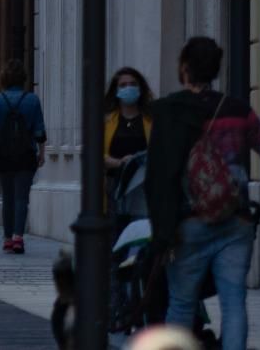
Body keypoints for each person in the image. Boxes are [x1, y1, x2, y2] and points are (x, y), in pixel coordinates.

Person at [146, 36, 260, 350]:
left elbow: (158, 174)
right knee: (233, 303)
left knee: (181, 303)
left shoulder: (169, 112)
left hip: (189, 221)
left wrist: (162, 227)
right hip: (235, 219)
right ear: (215, 68)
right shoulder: (238, 110)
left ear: (184, 67)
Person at [104, 65, 154, 331]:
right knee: (116, 253)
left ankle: (139, 309)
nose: (127, 88)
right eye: (122, 84)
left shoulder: (150, 120)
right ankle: (116, 311)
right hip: (114, 192)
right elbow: (96, 153)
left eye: (132, 83)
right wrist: (118, 162)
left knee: (141, 252)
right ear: (116, 90)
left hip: (143, 192)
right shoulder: (108, 120)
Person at [0, 58, 47, 254]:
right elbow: (39, 130)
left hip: (3, 155)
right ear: (23, 79)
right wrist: (42, 153)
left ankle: (6, 238)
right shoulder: (32, 99)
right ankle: (18, 238)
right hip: (26, 154)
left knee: (8, 197)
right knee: (22, 197)